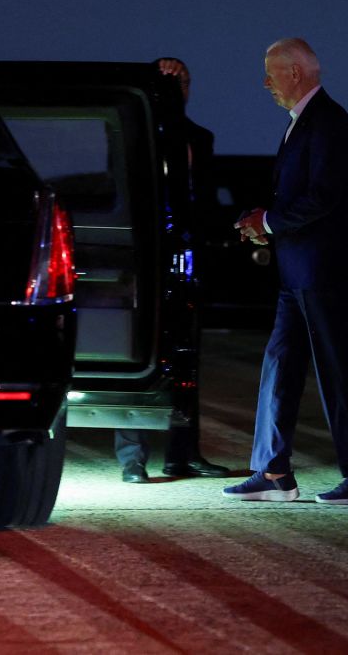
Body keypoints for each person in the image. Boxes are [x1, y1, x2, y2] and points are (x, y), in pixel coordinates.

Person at [223, 38, 348, 504]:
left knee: (336, 370)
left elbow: (323, 197)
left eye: (270, 72)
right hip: (298, 270)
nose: (265, 83)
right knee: (279, 365)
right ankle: (273, 472)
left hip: (323, 269)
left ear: (295, 72)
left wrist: (270, 222)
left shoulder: (329, 121)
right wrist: (267, 224)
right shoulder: (305, 123)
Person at [116, 57, 229, 482]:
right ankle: (133, 457)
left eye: (182, 81)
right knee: (140, 354)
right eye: (168, 80)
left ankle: (182, 453)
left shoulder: (198, 138)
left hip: (185, 260)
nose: (176, 88)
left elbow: (204, 200)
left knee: (185, 360)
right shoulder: (137, 134)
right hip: (145, 259)